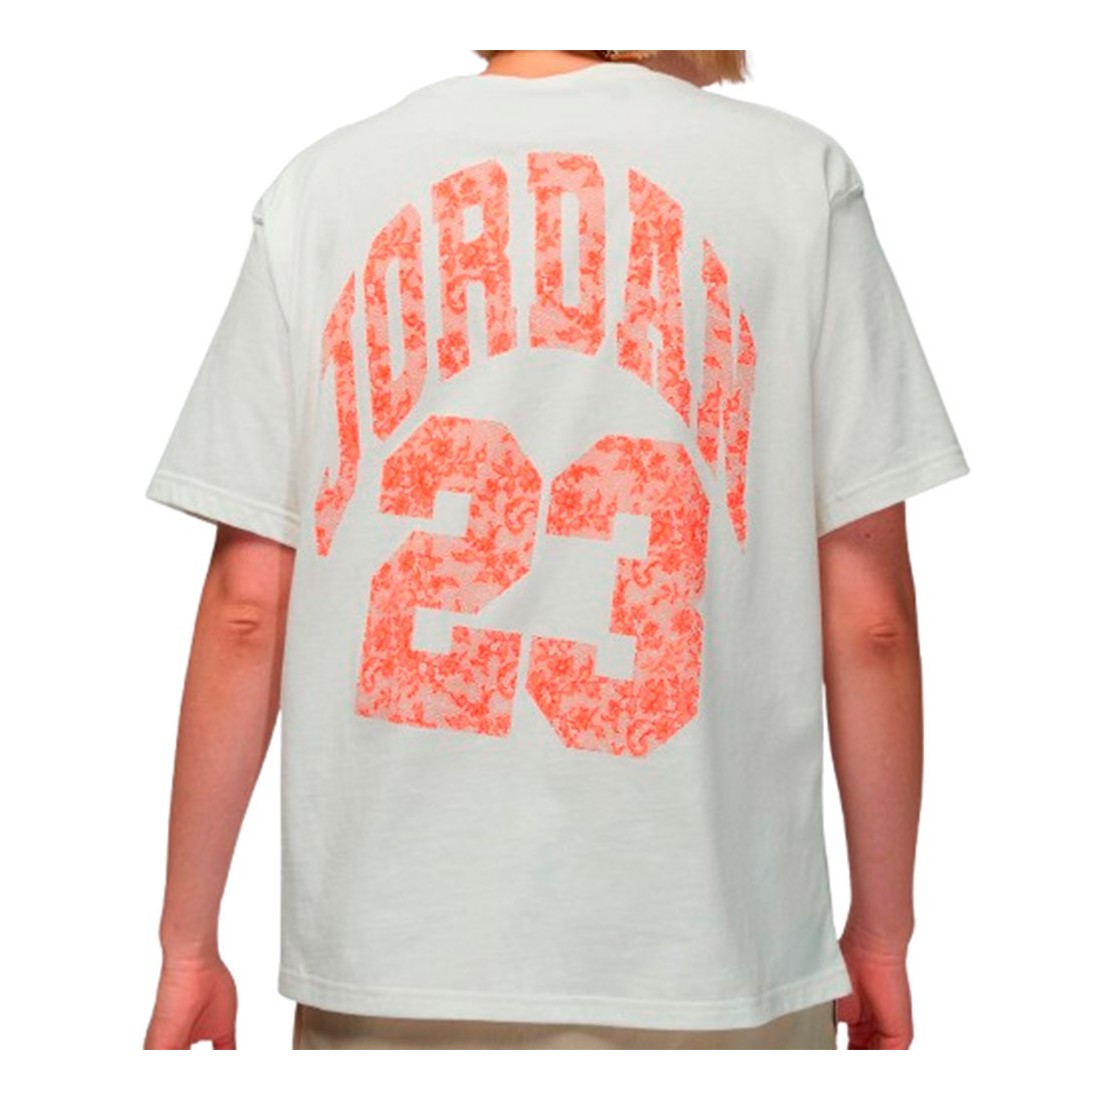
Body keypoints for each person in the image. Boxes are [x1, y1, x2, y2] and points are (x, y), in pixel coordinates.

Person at [141, 49, 969, 1051]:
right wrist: (881, 934)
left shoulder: (323, 187)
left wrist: (187, 944)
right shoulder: (797, 180)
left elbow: (247, 607)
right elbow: (870, 621)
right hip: (717, 964)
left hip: (392, 964)